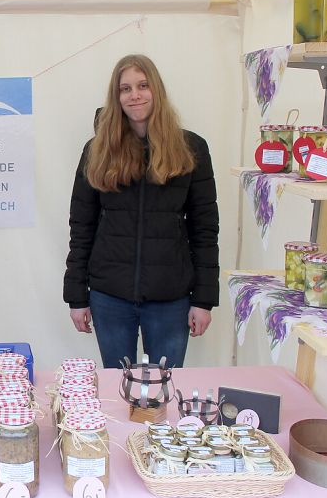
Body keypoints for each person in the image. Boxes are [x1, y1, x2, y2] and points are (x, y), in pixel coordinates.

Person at [63, 54, 219, 369]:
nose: (134, 95)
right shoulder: (97, 151)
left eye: (142, 85)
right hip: (109, 297)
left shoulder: (191, 149)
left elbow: (205, 230)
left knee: (164, 394)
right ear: (116, 96)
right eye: (125, 89)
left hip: (170, 299)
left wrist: (203, 300)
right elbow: (82, 227)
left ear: (156, 90)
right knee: (117, 391)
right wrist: (77, 297)